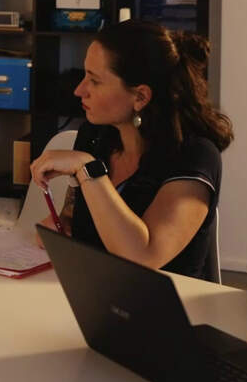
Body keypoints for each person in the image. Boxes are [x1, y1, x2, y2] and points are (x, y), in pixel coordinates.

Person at [29, 21, 231, 279]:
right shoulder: (95, 137)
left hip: (166, 310)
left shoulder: (195, 157)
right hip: (95, 295)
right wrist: (61, 227)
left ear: (140, 97)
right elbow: (74, 217)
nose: (79, 90)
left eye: (95, 81)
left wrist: (86, 168)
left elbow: (143, 255)